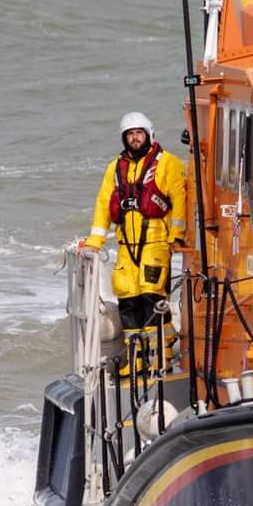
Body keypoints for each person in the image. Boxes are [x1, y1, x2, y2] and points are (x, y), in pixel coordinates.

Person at [81, 112, 188, 374]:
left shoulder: (168, 164)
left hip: (155, 243)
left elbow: (179, 200)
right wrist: (95, 240)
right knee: (128, 300)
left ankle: (159, 355)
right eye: (130, 134)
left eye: (139, 133)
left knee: (152, 298)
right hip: (126, 247)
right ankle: (136, 357)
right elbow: (103, 205)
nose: (135, 138)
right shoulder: (115, 169)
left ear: (149, 133)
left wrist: (176, 235)